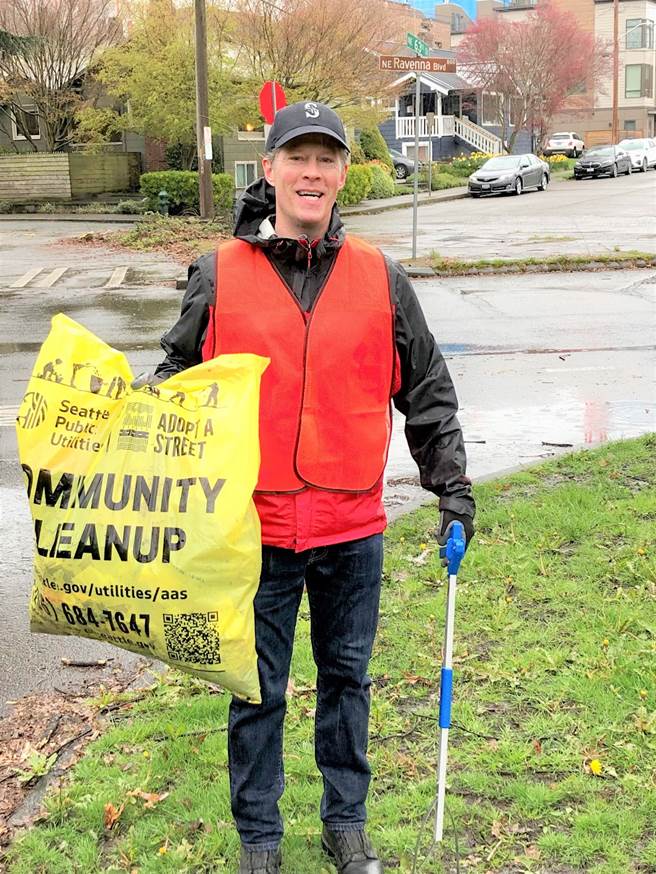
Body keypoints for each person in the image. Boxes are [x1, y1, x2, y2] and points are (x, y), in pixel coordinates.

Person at [135, 101, 475, 874]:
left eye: (327, 159)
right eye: (298, 158)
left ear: (343, 175)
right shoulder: (221, 271)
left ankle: (344, 824)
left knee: (346, 682)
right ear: (272, 170)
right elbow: (176, 377)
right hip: (251, 532)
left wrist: (452, 487)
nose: (312, 172)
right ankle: (261, 841)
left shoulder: (381, 277)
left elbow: (425, 390)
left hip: (352, 529)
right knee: (255, 691)